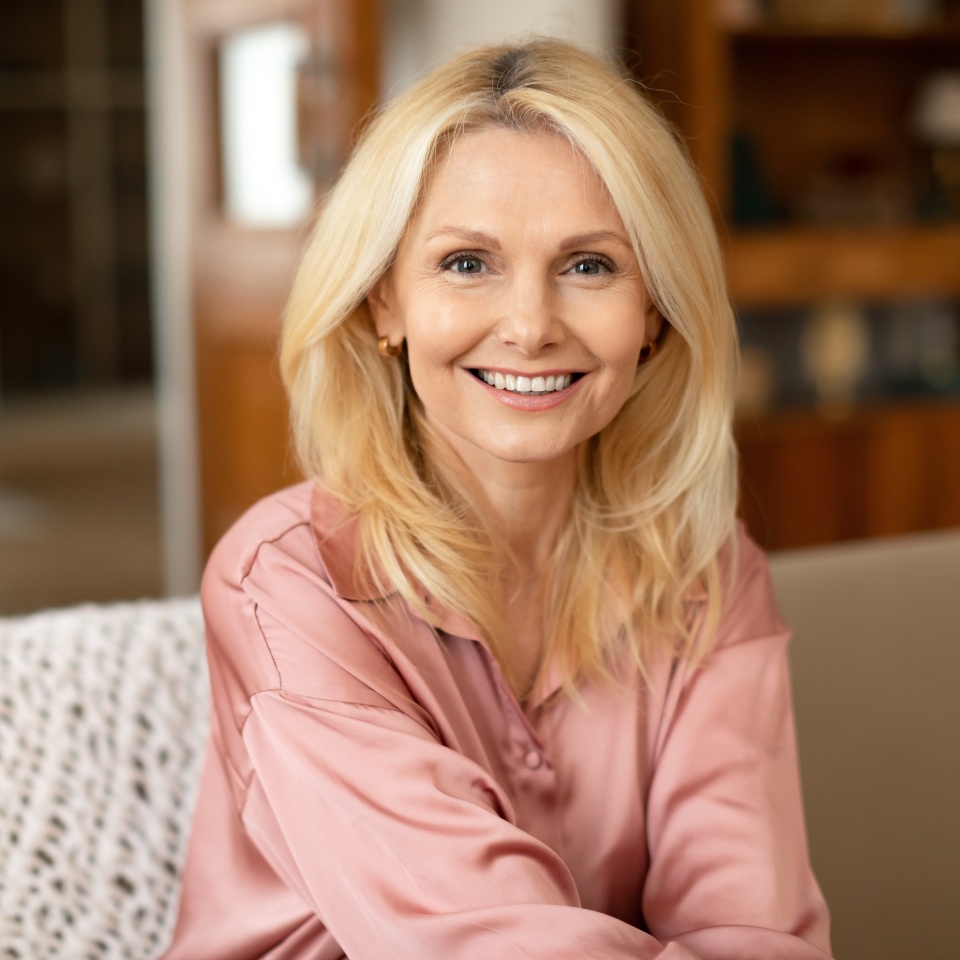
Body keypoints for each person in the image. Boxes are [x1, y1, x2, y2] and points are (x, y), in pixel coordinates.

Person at [165, 38, 831, 960]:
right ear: (384, 303)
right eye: (467, 263)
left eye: (589, 265)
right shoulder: (287, 584)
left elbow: (754, 931)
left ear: (654, 313)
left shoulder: (708, 574)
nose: (529, 326)